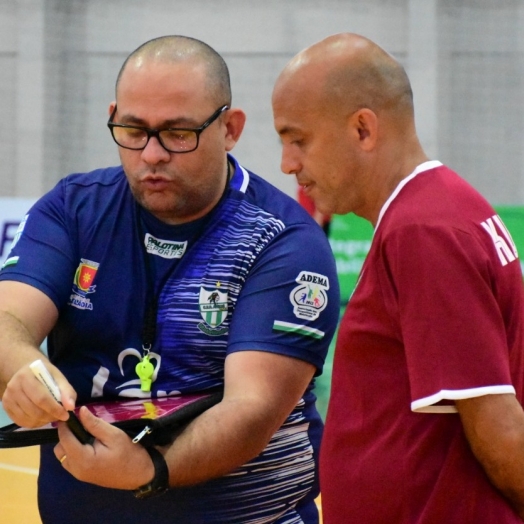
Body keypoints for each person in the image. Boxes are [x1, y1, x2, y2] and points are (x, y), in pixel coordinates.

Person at [0, 35, 340, 524]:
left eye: (179, 133)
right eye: (134, 129)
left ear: (230, 128)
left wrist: (151, 469)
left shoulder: (281, 239)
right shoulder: (75, 209)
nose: (153, 154)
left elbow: (252, 410)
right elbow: (10, 317)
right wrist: (24, 369)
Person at [272, 32, 524, 523]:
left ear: (363, 129)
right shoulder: (438, 209)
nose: (288, 165)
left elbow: (500, 429)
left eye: (298, 139)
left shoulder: (424, 230)